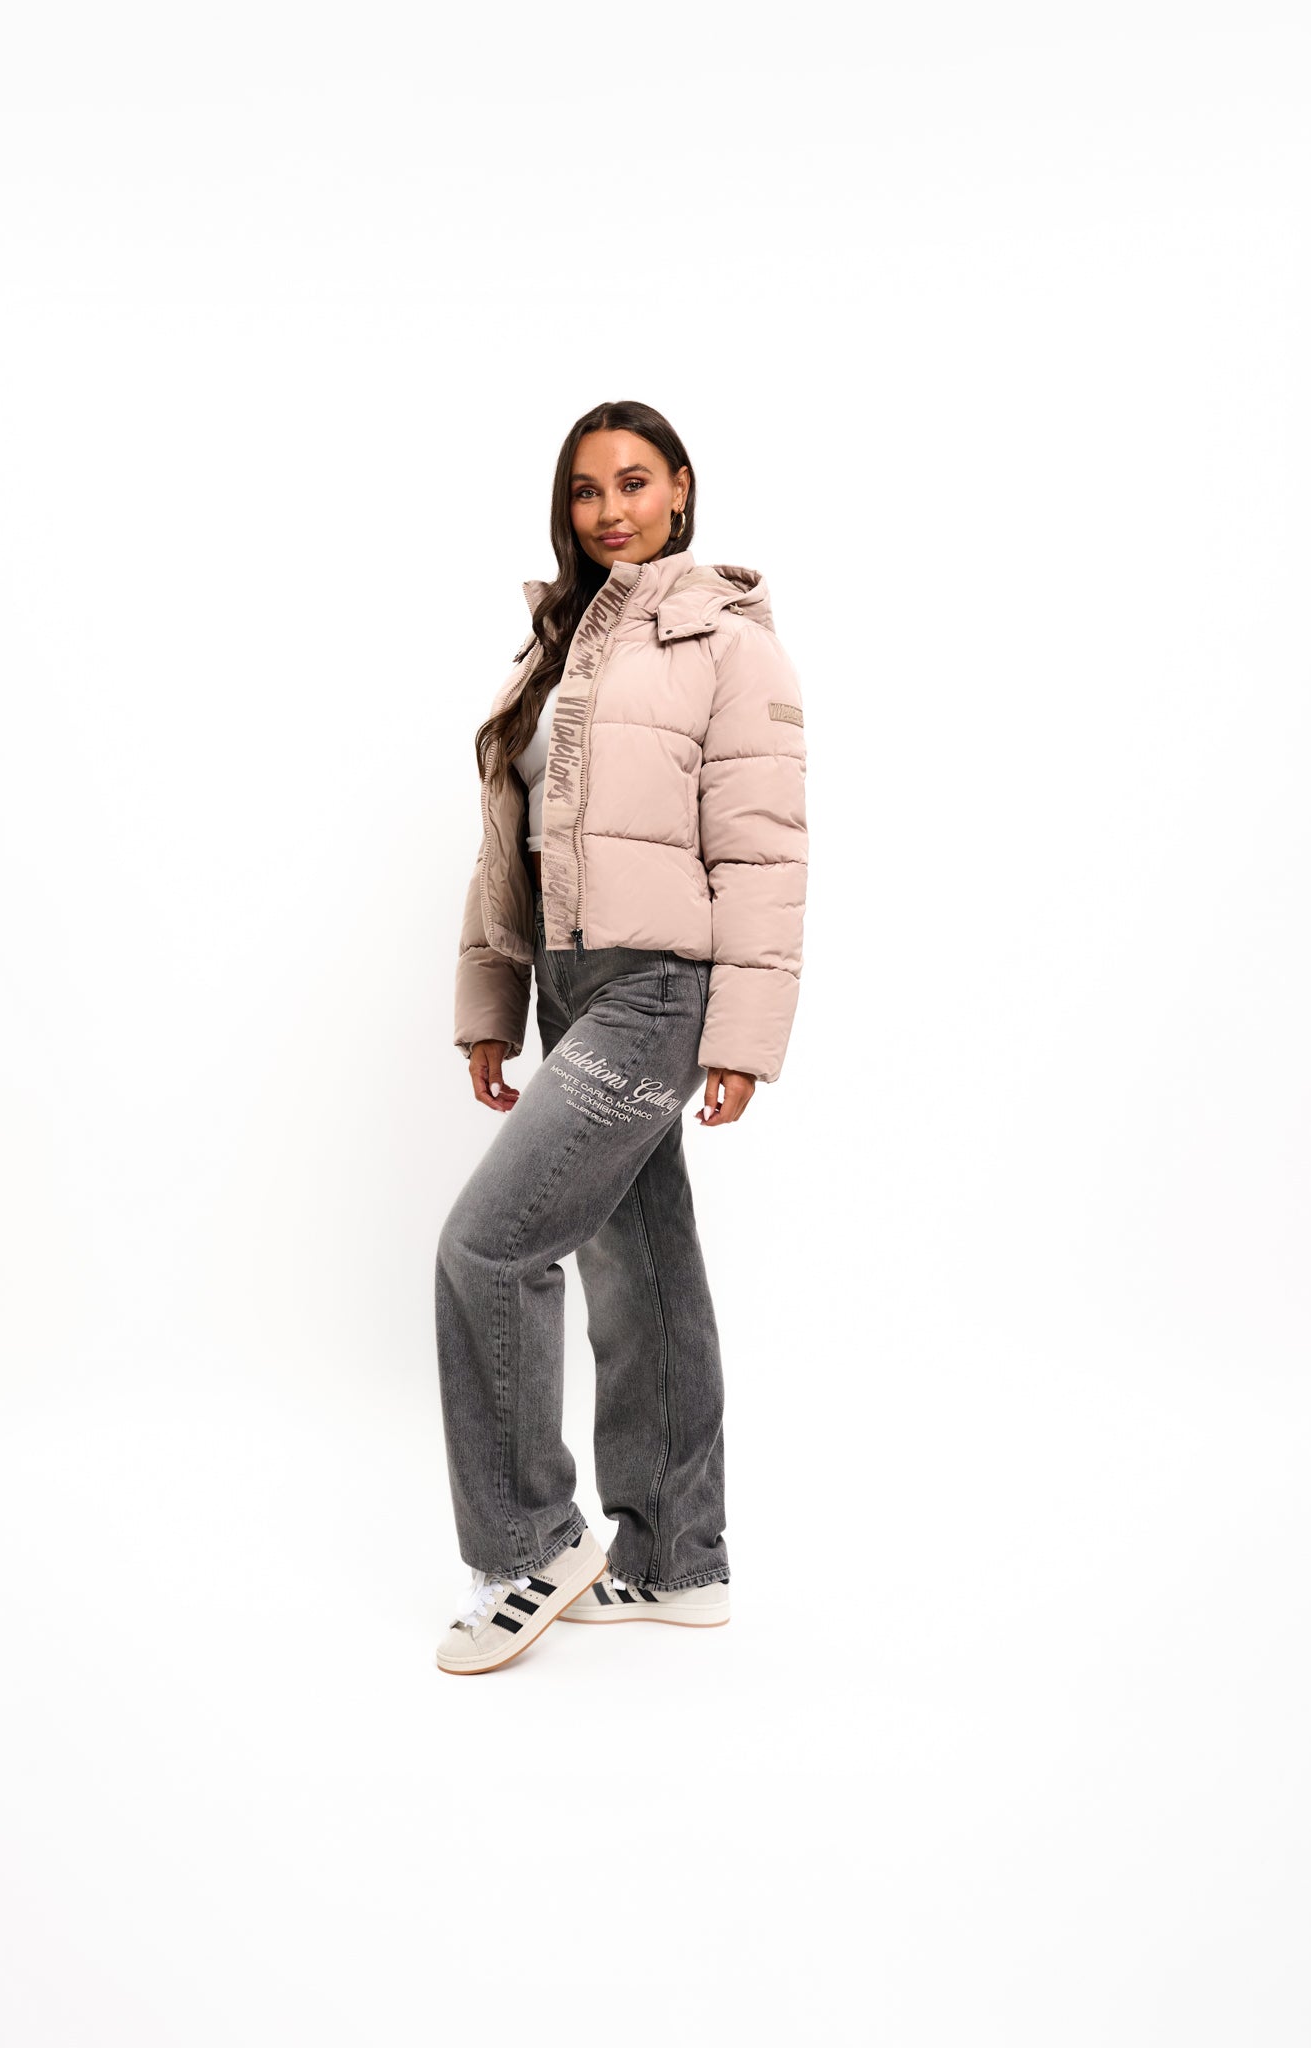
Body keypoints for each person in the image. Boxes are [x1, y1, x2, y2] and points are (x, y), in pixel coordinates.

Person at [433, 398, 809, 1674]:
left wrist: (742, 1031)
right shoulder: (555, 645)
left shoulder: (727, 643)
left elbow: (761, 851)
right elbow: (505, 848)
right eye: (586, 490)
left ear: (682, 488)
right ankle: (675, 1559)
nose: (608, 510)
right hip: (567, 984)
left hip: (656, 990)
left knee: (489, 1247)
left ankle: (530, 1547)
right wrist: (491, 1002)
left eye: (634, 482)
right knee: (641, 1271)